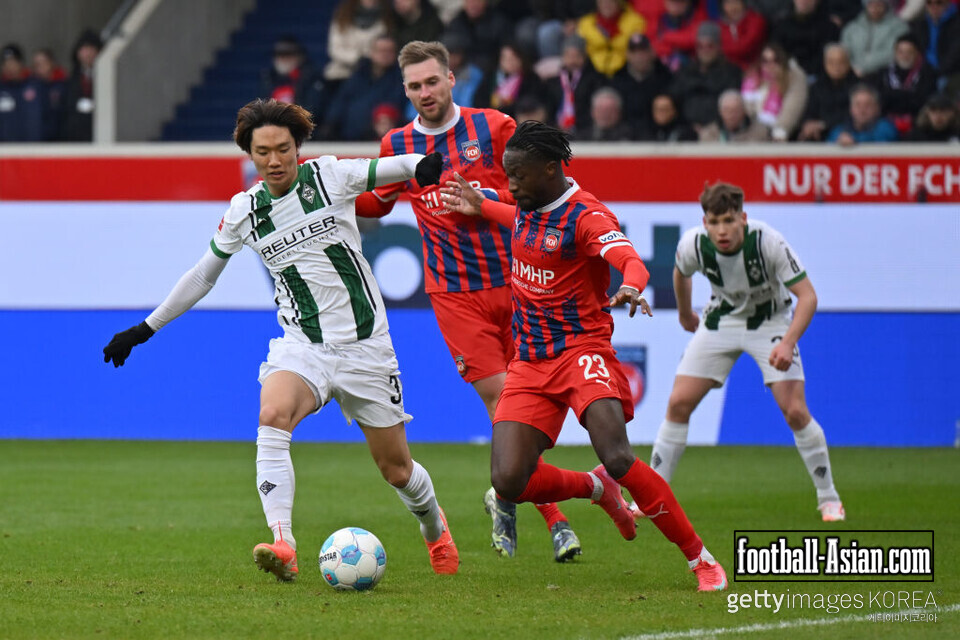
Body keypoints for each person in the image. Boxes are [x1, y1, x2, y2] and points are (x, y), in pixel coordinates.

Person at [102, 98, 459, 581]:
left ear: (297, 148)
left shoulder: (329, 176)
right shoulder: (244, 210)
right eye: (263, 152)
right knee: (272, 414)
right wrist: (145, 328)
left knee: (397, 470)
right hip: (302, 345)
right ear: (250, 154)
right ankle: (283, 543)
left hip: (365, 347)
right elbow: (202, 276)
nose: (274, 160)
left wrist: (423, 165)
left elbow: (393, 166)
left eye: (283, 149)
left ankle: (435, 531)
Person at [440, 121, 728, 592]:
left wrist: (632, 283)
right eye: (507, 177)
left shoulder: (587, 217)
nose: (511, 186)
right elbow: (520, 221)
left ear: (551, 169)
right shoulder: (528, 204)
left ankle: (701, 561)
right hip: (530, 361)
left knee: (616, 455)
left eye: (519, 176)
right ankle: (595, 489)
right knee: (509, 480)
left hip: (581, 352)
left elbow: (628, 257)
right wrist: (482, 205)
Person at [353, 40, 583, 562]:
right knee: (504, 401)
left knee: (538, 409)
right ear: (405, 89)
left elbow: (544, 190)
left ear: (452, 79)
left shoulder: (495, 128)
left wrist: (487, 201)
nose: (424, 93)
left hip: (518, 284)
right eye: (414, 85)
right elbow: (373, 202)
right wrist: (332, 185)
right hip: (455, 296)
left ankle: (506, 492)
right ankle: (554, 516)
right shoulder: (399, 144)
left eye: (432, 81)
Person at [649, 182, 845, 523]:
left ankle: (829, 497)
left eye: (728, 220)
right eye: (714, 222)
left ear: (743, 218)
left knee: (795, 411)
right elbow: (680, 274)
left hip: (769, 323)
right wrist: (684, 313)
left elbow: (808, 296)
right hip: (720, 321)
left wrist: (787, 342)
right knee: (678, 403)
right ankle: (654, 496)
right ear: (705, 222)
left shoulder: (767, 241)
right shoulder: (694, 243)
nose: (722, 231)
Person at [321, 34, 405, 140]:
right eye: (381, 51)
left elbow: (395, 107)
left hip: (376, 140)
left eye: (389, 51)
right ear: (372, 52)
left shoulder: (400, 79)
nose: (385, 55)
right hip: (347, 138)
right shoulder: (358, 74)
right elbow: (341, 100)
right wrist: (330, 123)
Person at [668, 21, 743, 129]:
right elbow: (675, 101)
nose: (705, 50)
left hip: (719, 130)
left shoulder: (731, 72)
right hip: (686, 129)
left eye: (710, 46)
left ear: (718, 46)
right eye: (700, 46)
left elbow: (731, 106)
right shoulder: (685, 72)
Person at [740, 42, 809, 140]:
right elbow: (747, 110)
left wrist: (780, 131)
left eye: (776, 60)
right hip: (751, 130)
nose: (770, 65)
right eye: (765, 60)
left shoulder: (794, 78)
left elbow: (791, 110)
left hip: (775, 134)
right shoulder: (754, 78)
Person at [611, 32, 673, 135]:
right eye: (634, 52)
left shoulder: (665, 78)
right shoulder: (618, 80)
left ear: (652, 53)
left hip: (658, 135)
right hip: (624, 136)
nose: (639, 56)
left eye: (643, 51)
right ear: (628, 55)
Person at [259, 36, 327, 126]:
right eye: (278, 54)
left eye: (288, 54)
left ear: (300, 56)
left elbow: (313, 112)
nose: (283, 58)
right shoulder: (267, 79)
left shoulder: (311, 79)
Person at [798, 43, 858, 141]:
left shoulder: (858, 86)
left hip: (848, 134)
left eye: (841, 62)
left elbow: (853, 115)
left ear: (848, 63)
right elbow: (809, 112)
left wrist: (823, 124)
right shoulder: (817, 86)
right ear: (824, 63)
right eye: (831, 62)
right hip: (818, 134)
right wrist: (808, 124)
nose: (836, 67)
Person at [576, 0, 647, 77]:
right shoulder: (586, 24)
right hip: (592, 71)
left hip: (626, 70)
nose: (606, 5)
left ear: (619, 3)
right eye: (602, 2)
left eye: (611, 2)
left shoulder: (635, 22)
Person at [841, 0, 909, 77]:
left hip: (885, 75)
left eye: (879, 5)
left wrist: (864, 67)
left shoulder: (899, 27)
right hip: (853, 74)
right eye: (871, 5)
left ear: (886, 6)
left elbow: (893, 53)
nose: (875, 9)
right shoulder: (852, 27)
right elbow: (844, 50)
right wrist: (853, 68)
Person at [827, 82, 899, 143]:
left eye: (867, 105)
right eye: (857, 105)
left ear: (877, 108)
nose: (862, 110)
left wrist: (854, 141)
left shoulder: (886, 127)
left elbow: (882, 140)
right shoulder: (839, 130)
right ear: (851, 108)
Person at [698, 88, 771, 141]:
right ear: (720, 112)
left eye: (736, 110)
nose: (731, 115)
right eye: (727, 110)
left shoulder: (761, 133)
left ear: (744, 111)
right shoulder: (708, 134)